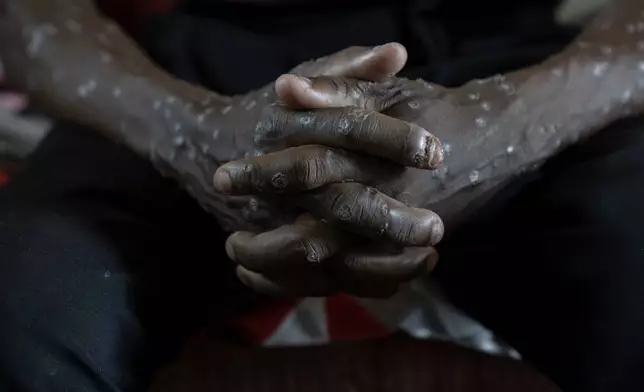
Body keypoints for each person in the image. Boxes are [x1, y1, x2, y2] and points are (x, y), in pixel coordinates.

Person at [1, 0, 643, 391]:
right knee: (23, 306)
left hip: (533, 74)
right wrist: (190, 132)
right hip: (184, 80)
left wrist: (511, 123)